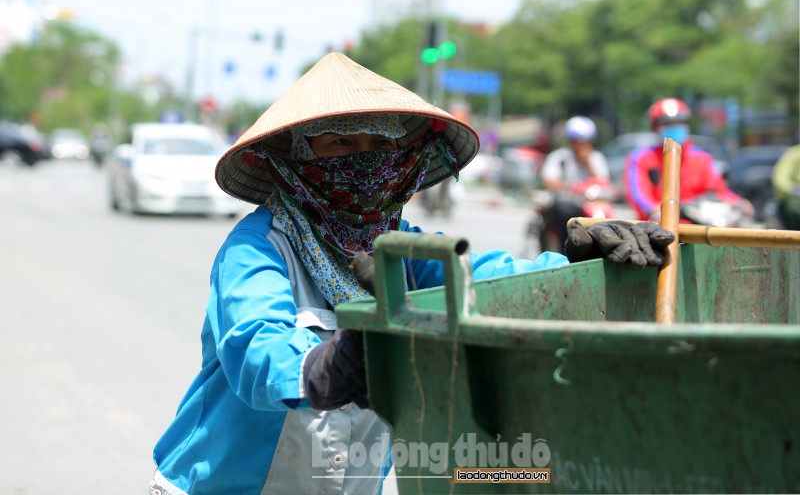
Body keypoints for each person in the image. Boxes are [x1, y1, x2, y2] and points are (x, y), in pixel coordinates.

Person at [148, 52, 673, 495]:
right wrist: (332, 364)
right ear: (299, 157)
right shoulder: (259, 247)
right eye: (340, 144)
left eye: (380, 146)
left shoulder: (405, 249)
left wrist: (575, 260)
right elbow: (255, 350)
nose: (364, 161)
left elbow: (484, 280)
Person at [624, 97, 751, 221]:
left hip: (696, 230)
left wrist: (738, 202)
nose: (674, 127)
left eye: (680, 122)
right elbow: (639, 198)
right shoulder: (641, 159)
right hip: (656, 231)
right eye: (667, 123)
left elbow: (718, 191)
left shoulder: (702, 159)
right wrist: (655, 210)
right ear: (654, 128)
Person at [539, 116, 611, 248]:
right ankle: (564, 248)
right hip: (566, 202)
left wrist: (588, 163)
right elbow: (548, 180)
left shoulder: (596, 158)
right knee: (564, 212)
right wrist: (571, 187)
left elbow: (602, 182)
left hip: (590, 203)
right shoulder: (560, 157)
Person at [772, 144, 800, 230]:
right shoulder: (794, 153)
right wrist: (793, 190)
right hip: (794, 198)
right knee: (794, 209)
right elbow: (780, 178)